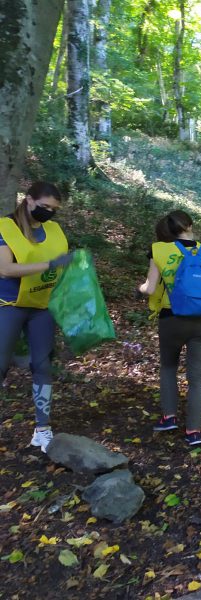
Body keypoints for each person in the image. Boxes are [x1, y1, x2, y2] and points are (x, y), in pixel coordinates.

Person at [139, 210, 201, 446]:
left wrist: (141, 287)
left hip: (172, 318)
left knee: (168, 367)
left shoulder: (159, 250)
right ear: (189, 225)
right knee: (196, 377)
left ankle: (169, 417)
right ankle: (194, 432)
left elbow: (150, 288)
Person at [0, 182, 73, 452]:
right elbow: (6, 269)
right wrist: (50, 265)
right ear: (28, 200)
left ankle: (43, 430)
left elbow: (63, 264)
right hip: (9, 305)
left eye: (54, 209)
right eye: (44, 207)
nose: (49, 213)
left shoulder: (53, 229)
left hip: (42, 306)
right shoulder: (5, 227)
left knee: (42, 366)